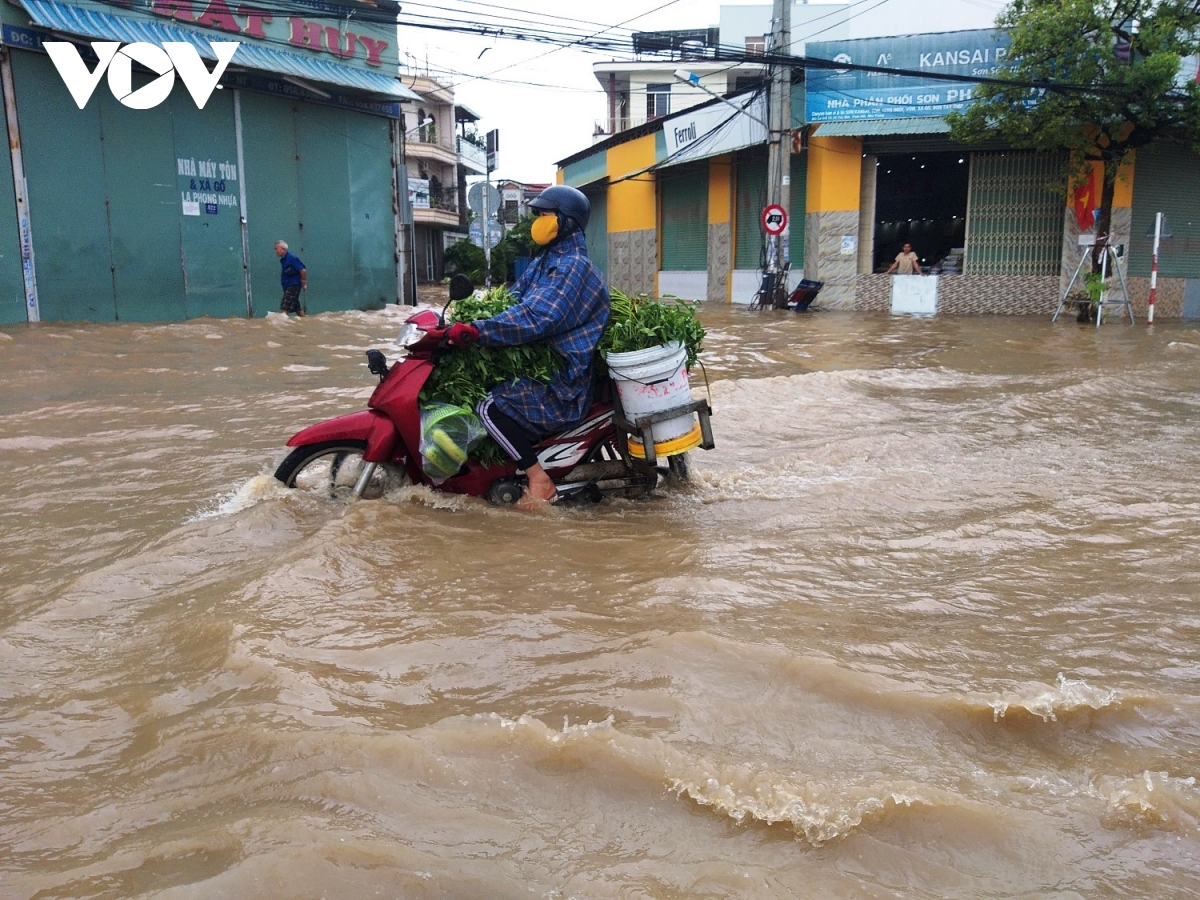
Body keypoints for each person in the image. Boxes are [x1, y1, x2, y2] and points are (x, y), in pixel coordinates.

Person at [443, 185, 609, 506]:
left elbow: (536, 318)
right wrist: (467, 319)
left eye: (545, 215)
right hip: (543, 368)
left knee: (488, 405)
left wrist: (478, 332)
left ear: (566, 222)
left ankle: (538, 478)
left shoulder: (572, 266)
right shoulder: (545, 261)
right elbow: (513, 301)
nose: (538, 221)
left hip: (561, 385)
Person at [275, 240, 307, 316]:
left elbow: (303, 270)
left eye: (277, 249)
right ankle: (305, 323)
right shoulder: (283, 260)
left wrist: (304, 282)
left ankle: (282, 326)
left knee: (284, 308)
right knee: (298, 309)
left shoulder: (291, 258)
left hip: (293, 286)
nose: (276, 251)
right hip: (288, 286)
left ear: (283, 249)